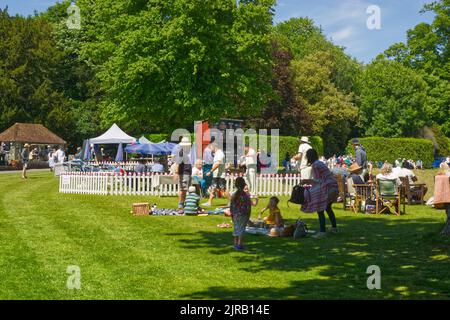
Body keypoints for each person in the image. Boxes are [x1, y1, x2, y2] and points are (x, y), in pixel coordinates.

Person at [301, 148, 338, 239]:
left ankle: (322, 232)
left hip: (327, 187)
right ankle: (334, 228)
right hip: (333, 186)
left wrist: (308, 181)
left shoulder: (315, 165)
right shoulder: (320, 163)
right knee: (328, 208)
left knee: (320, 209)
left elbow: (319, 181)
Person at [230, 177, 252, 250]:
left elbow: (231, 207)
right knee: (241, 229)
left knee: (236, 228)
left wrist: (232, 215)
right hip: (243, 215)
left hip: (235, 214)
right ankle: (239, 245)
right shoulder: (246, 196)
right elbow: (249, 207)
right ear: (244, 185)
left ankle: (235, 244)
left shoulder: (234, 195)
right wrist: (248, 215)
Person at [173, 137, 193, 213]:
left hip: (186, 173)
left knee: (184, 190)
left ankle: (182, 204)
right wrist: (176, 173)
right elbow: (177, 164)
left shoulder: (185, 152)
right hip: (184, 173)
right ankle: (180, 205)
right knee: (183, 190)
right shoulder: (181, 152)